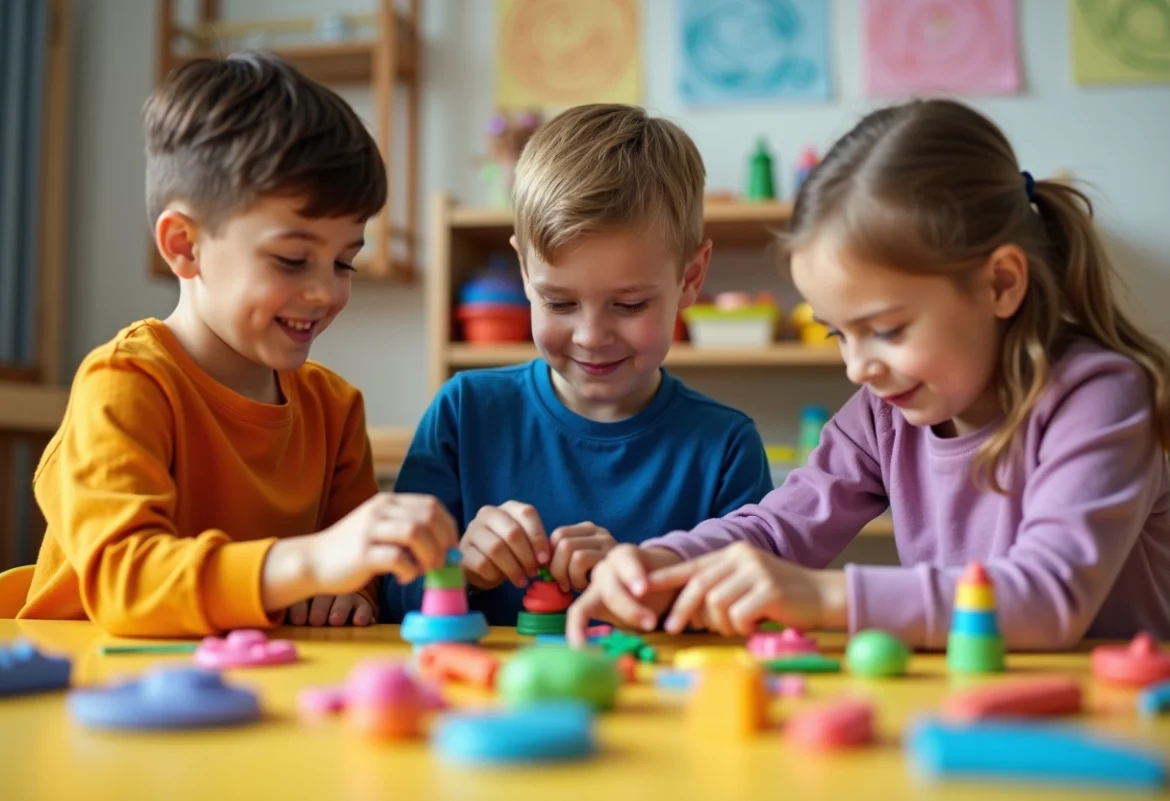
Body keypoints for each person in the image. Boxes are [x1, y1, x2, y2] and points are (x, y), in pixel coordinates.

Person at [567, 98, 1170, 650]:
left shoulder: (1101, 397)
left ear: (1000, 284)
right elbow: (777, 528)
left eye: (886, 329)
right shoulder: (884, 415)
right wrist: (659, 560)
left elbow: (1049, 597)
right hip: (969, 713)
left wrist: (824, 597)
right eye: (837, 333)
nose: (858, 368)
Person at [18, 51, 456, 636]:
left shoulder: (334, 409)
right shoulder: (124, 385)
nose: (325, 291)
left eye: (344, 261)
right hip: (84, 691)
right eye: (293, 260)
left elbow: (351, 578)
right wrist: (315, 561)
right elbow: (126, 582)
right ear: (184, 246)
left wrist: (350, 588)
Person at [386, 104, 772, 625]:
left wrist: (641, 581)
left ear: (690, 278)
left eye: (630, 304)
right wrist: (460, 569)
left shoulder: (725, 447)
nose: (591, 337)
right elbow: (388, 592)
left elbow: (755, 610)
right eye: (560, 304)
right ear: (524, 272)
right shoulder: (465, 412)